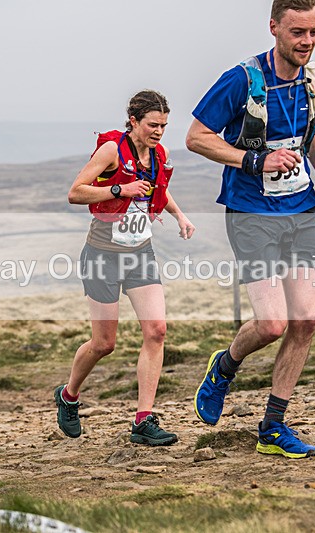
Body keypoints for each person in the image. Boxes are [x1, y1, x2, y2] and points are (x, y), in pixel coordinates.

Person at [188, 0, 315, 459]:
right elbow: (196, 136)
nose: (307, 42)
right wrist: (255, 160)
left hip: (303, 210)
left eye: (313, 32)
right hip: (251, 211)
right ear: (274, 27)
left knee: (306, 320)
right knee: (273, 323)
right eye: (297, 32)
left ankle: (273, 426)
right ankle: (225, 365)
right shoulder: (242, 79)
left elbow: (312, 127)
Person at [54, 90, 195, 446]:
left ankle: (144, 420)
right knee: (104, 343)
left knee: (157, 331)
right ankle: (69, 395)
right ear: (133, 121)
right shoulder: (112, 150)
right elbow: (76, 192)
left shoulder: (158, 154)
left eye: (164, 125)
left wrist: (179, 216)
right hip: (102, 255)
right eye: (152, 124)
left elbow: (156, 188)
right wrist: (120, 188)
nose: (159, 131)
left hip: (140, 253)